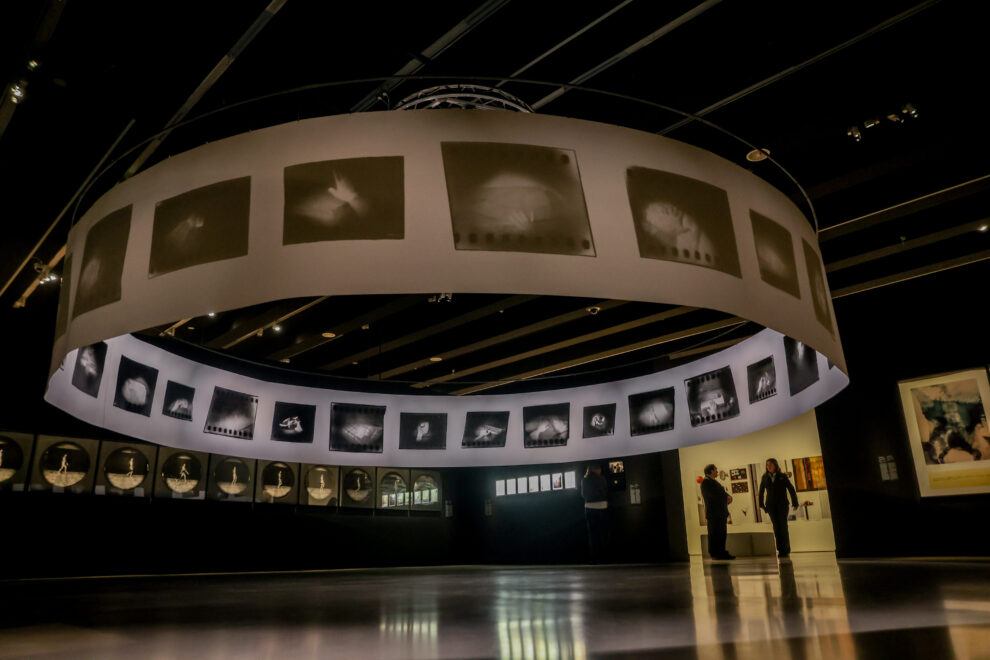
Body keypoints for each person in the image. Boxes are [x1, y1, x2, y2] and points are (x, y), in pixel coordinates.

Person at [759, 458, 799, 558]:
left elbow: (791, 489)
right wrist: (761, 504)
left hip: (782, 505)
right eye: (767, 465)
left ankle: (786, 549)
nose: (768, 467)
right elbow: (761, 492)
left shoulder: (782, 476)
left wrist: (795, 502)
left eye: (770, 465)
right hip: (771, 506)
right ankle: (780, 550)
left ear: (775, 465)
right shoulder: (764, 477)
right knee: (776, 528)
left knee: (783, 527)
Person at [701, 464, 734, 559]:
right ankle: (716, 553)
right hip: (714, 513)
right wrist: (725, 497)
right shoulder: (706, 482)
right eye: (716, 470)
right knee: (715, 533)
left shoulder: (713, 482)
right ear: (711, 471)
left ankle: (721, 551)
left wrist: (728, 497)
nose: (717, 471)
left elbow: (721, 493)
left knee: (721, 533)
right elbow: (713, 496)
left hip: (719, 513)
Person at [581, 463, 609, 562]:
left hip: (590, 507)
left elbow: (583, 494)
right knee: (603, 533)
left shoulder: (584, 480)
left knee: (592, 535)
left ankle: (594, 558)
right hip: (602, 506)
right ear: (597, 469)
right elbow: (605, 491)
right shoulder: (602, 479)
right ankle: (604, 557)